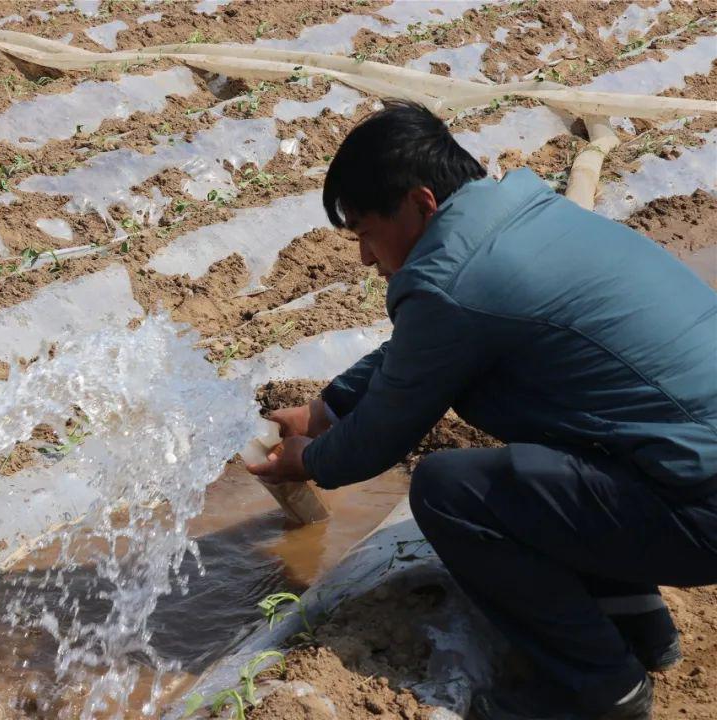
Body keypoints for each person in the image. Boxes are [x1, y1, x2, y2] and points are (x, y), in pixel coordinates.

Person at [246, 100, 717, 720]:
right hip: (687, 473)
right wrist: (328, 405)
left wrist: (310, 459)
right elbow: (425, 349)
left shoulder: (452, 281)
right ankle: (635, 625)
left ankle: (598, 687)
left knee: (450, 491)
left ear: (420, 203)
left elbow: (374, 444)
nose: (363, 257)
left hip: (699, 509)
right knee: (548, 444)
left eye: (364, 233)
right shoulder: (520, 216)